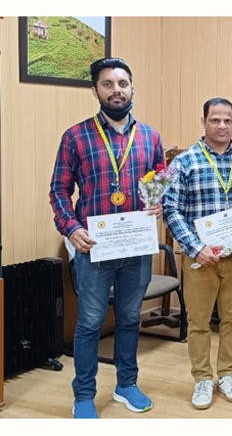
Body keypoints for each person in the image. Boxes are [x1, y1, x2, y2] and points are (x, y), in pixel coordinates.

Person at [49, 57, 164, 418]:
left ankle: (126, 384)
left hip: (136, 248)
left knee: (129, 319)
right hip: (94, 248)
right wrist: (71, 228)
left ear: (132, 88)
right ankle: (84, 395)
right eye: (108, 84)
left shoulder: (150, 137)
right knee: (89, 323)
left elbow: (160, 184)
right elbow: (58, 190)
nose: (117, 90)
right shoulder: (75, 136)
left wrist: (158, 203)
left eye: (123, 83)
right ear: (95, 90)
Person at [163, 98, 232, 409]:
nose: (222, 126)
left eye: (227, 121)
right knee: (198, 321)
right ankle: (202, 379)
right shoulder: (183, 162)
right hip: (200, 258)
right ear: (204, 121)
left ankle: (228, 374)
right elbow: (171, 209)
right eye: (215, 120)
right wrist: (196, 248)